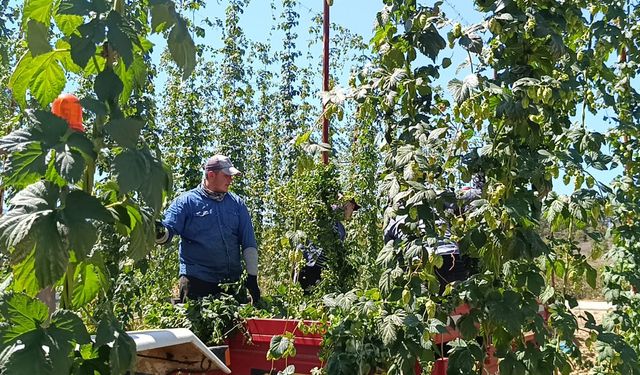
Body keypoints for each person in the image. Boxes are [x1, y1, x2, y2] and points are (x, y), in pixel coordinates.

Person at [155, 154, 261, 304]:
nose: (231, 180)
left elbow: (248, 242)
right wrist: (156, 230)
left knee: (235, 327)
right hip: (197, 281)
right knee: (196, 326)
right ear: (211, 175)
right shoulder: (186, 202)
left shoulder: (237, 204)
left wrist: (252, 277)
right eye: (226, 176)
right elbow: (167, 233)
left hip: (231, 283)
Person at [297, 197, 359, 293]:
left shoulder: (341, 229)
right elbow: (325, 211)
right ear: (348, 205)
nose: (353, 213)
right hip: (307, 264)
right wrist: (340, 203)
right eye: (353, 208)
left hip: (322, 271)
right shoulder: (327, 214)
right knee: (300, 294)